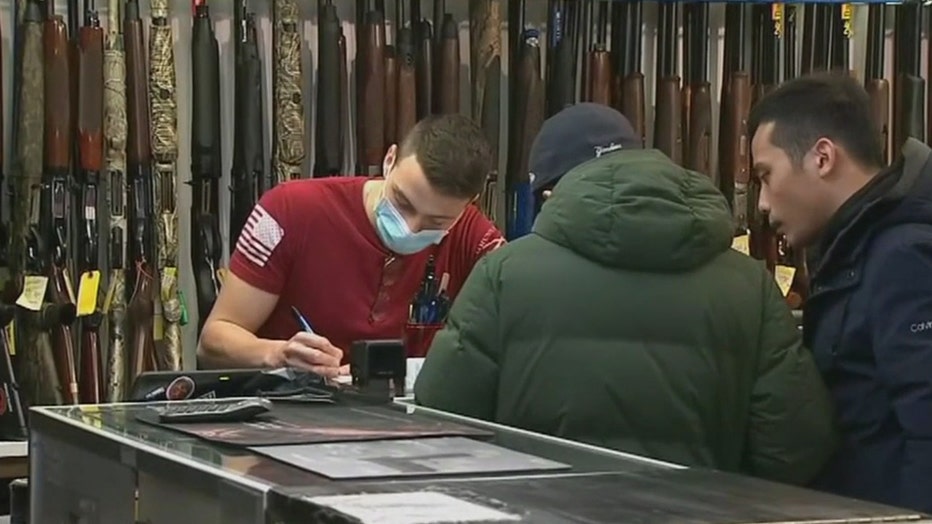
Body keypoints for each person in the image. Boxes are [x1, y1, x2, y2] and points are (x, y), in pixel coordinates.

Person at [414, 103, 837, 485]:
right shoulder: (749, 285)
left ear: (548, 193)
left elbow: (442, 426)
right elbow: (794, 448)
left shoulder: (503, 275)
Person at [747, 73, 932, 512]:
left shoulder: (901, 258)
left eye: (766, 175)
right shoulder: (859, 251)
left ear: (823, 157)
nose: (762, 203)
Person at [197, 114, 505, 377]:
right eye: (402, 202)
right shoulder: (288, 210)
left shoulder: (472, 234)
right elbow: (213, 341)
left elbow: (520, 310)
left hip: (408, 429)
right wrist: (278, 354)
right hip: (291, 421)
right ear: (389, 160)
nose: (410, 228)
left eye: (435, 222)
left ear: (468, 205)